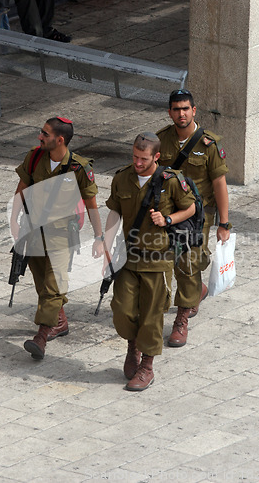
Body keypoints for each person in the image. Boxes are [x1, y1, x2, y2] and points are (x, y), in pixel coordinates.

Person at [104, 132, 196, 391]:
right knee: (122, 310)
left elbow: (190, 208)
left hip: (158, 260)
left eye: (143, 158)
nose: (138, 162)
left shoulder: (171, 181)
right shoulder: (122, 178)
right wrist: (106, 242)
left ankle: (146, 366)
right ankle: (132, 345)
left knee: (152, 316)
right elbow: (114, 211)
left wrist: (168, 220)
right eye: (134, 156)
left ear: (156, 156)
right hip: (128, 257)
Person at [10, 116, 103, 360]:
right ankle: (59, 322)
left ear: (60, 140)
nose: (40, 136)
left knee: (53, 285)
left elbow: (92, 205)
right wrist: (13, 221)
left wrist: (99, 237)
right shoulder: (35, 157)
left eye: (45, 133)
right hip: (32, 231)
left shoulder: (79, 168)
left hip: (61, 236)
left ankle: (41, 336)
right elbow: (21, 189)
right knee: (42, 283)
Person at [157, 89, 230, 347]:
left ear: (194, 111)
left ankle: (182, 318)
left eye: (185, 108)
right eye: (176, 109)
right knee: (166, 259)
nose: (181, 113)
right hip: (168, 213)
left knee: (189, 261)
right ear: (170, 112)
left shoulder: (208, 144)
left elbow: (220, 184)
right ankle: (191, 295)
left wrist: (224, 223)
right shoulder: (162, 140)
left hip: (200, 215)